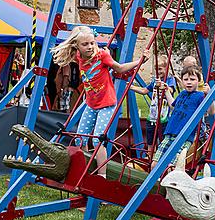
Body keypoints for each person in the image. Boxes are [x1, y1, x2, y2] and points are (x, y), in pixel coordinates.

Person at [51, 26, 145, 176]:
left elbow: (120, 68)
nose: (89, 47)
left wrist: (140, 61)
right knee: (80, 139)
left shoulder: (102, 56)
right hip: (91, 104)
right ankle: (87, 168)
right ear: (77, 46)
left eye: (92, 43)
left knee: (98, 140)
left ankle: (101, 175)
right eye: (85, 44)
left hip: (107, 104)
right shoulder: (79, 56)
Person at [151, 65, 215, 169]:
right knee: (155, 163)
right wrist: (166, 90)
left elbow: (211, 111)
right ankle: (155, 183)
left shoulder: (200, 96)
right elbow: (173, 106)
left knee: (172, 166)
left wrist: (209, 95)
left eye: (192, 79)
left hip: (184, 136)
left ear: (199, 81)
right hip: (170, 133)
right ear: (182, 81)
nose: (189, 82)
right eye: (186, 79)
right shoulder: (182, 94)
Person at [131, 55, 176, 149]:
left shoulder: (170, 80)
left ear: (166, 68)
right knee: (150, 141)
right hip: (152, 117)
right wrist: (131, 87)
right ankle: (149, 156)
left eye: (160, 69)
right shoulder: (154, 81)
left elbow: (171, 90)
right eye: (156, 69)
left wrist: (164, 86)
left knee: (163, 141)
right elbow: (144, 91)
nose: (158, 72)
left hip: (164, 118)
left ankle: (160, 158)